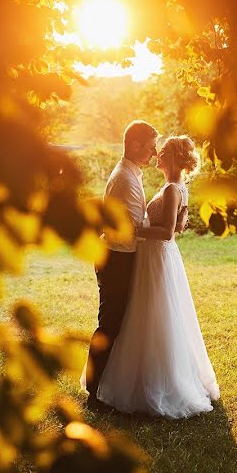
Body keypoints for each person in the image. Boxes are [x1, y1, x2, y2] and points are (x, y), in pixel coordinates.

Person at [96, 135, 220, 418]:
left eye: (161, 152)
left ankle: (156, 382)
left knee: (154, 315)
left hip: (156, 257)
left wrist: (133, 231)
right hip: (155, 257)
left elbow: (166, 232)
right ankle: (145, 375)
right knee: (148, 314)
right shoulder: (175, 187)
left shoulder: (172, 189)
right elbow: (178, 225)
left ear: (174, 158)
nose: (156, 154)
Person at [81, 121, 158, 407]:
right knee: (109, 325)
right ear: (135, 145)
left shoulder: (130, 173)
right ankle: (93, 392)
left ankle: (104, 385)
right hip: (116, 259)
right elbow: (132, 227)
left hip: (119, 256)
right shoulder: (125, 178)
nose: (154, 153)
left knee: (114, 324)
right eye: (151, 147)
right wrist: (163, 227)